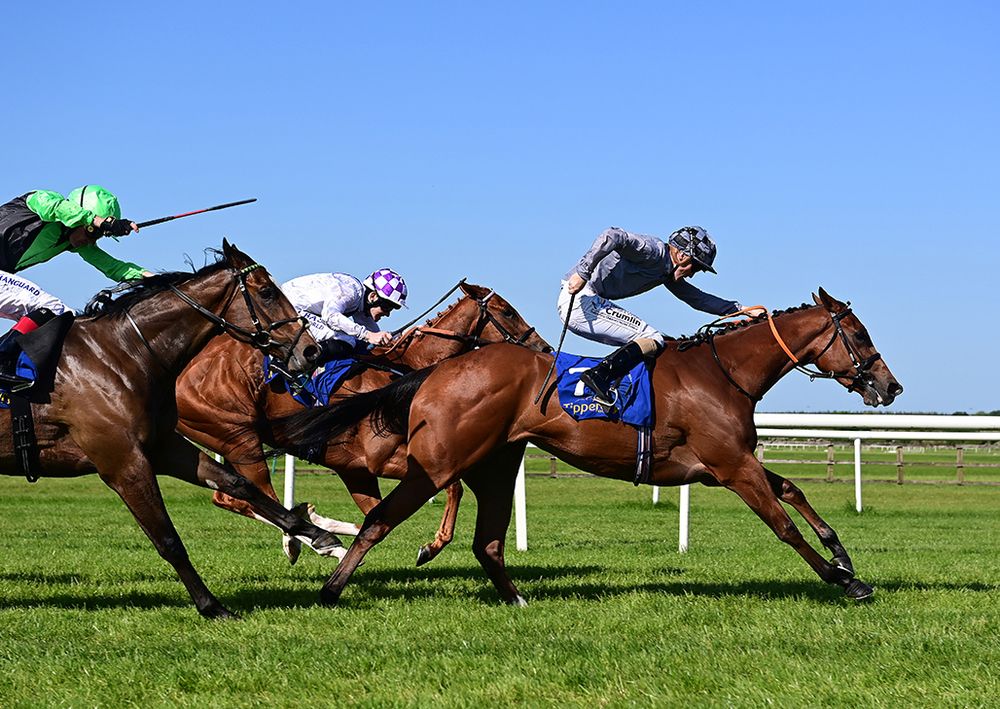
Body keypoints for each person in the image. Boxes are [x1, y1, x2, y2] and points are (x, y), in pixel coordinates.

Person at [558, 225, 763, 407]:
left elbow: (698, 299)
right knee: (652, 338)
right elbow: (612, 235)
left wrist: (743, 309)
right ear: (682, 255)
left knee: (659, 344)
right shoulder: (653, 251)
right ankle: (598, 377)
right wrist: (583, 273)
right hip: (581, 299)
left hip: (589, 303)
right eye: (697, 267)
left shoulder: (666, 272)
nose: (693, 274)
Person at [0, 185, 149, 386]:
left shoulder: (72, 240)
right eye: (92, 232)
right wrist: (100, 222)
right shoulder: (43, 199)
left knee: (62, 317)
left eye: (98, 236)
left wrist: (157, 280)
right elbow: (58, 208)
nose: (91, 239)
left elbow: (113, 267)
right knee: (52, 309)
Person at [281, 268, 408, 363]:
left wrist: (404, 336)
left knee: (352, 339)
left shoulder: (360, 301)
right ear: (373, 296)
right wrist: (368, 335)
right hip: (289, 307)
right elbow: (331, 316)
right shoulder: (350, 292)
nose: (388, 314)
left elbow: (374, 332)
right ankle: (298, 368)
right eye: (386, 307)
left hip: (293, 306)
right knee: (347, 340)